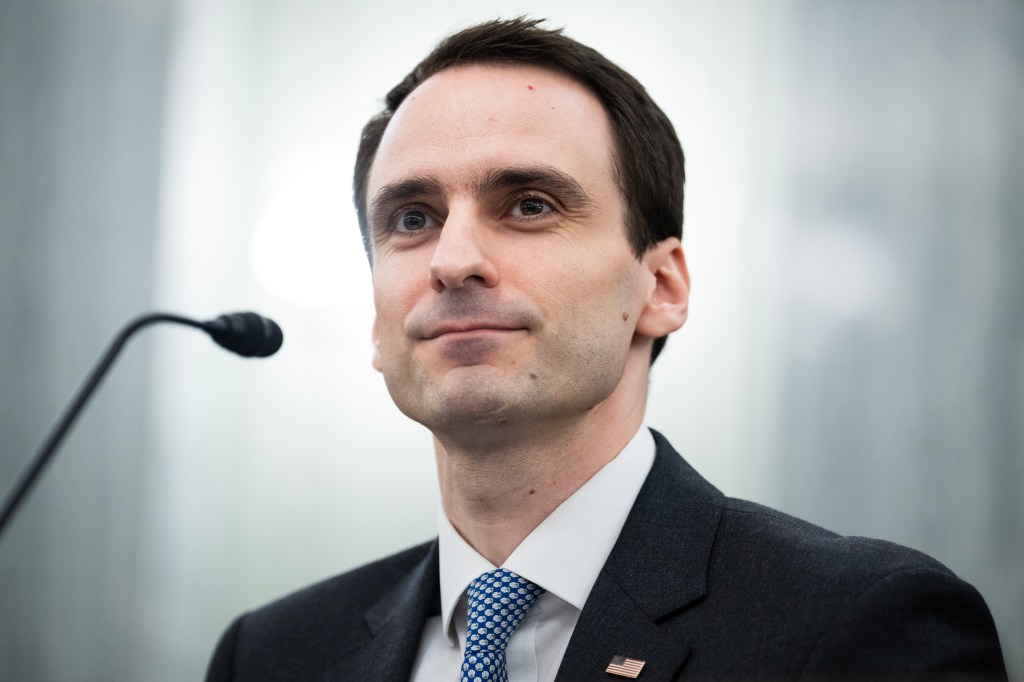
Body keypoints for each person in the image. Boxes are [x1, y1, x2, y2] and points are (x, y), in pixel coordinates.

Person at [206, 17, 1007, 681]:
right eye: (411, 219)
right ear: (378, 323)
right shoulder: (272, 655)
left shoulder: (857, 626)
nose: (452, 260)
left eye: (528, 204)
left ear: (660, 288)